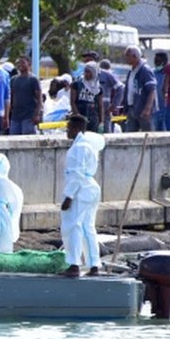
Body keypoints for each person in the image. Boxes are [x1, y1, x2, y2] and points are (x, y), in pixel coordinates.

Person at [60, 114, 106, 278]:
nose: (67, 131)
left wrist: (69, 196)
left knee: (73, 226)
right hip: (90, 188)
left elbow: (77, 173)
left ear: (76, 128)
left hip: (81, 189)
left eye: (69, 128)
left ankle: (74, 264)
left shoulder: (80, 147)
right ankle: (94, 265)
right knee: (88, 227)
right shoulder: (87, 145)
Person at [121, 46, 157, 132]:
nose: (126, 58)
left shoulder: (145, 70)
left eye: (127, 56)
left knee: (147, 135)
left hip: (143, 109)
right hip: (132, 109)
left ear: (134, 56)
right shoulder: (131, 71)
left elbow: (152, 90)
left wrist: (147, 108)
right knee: (130, 137)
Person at [8, 57, 42, 135]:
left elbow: (39, 99)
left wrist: (37, 114)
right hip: (15, 116)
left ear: (29, 64)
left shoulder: (33, 80)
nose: (20, 65)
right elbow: (11, 97)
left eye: (23, 62)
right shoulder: (13, 79)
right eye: (18, 63)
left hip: (28, 116)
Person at [70, 62, 103, 132]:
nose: (86, 74)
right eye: (85, 71)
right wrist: (77, 115)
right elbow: (72, 102)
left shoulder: (98, 88)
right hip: (79, 118)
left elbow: (100, 106)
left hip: (93, 118)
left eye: (88, 72)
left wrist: (101, 122)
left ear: (94, 73)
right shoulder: (77, 84)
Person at [97, 59, 124, 131]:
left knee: (106, 132)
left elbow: (120, 88)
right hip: (94, 109)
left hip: (106, 109)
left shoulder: (108, 75)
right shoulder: (88, 74)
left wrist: (114, 106)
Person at [151, 51, 168, 131]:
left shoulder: (168, 74)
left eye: (158, 61)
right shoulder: (152, 73)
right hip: (155, 110)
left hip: (166, 109)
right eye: (155, 61)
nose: (156, 64)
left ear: (164, 62)